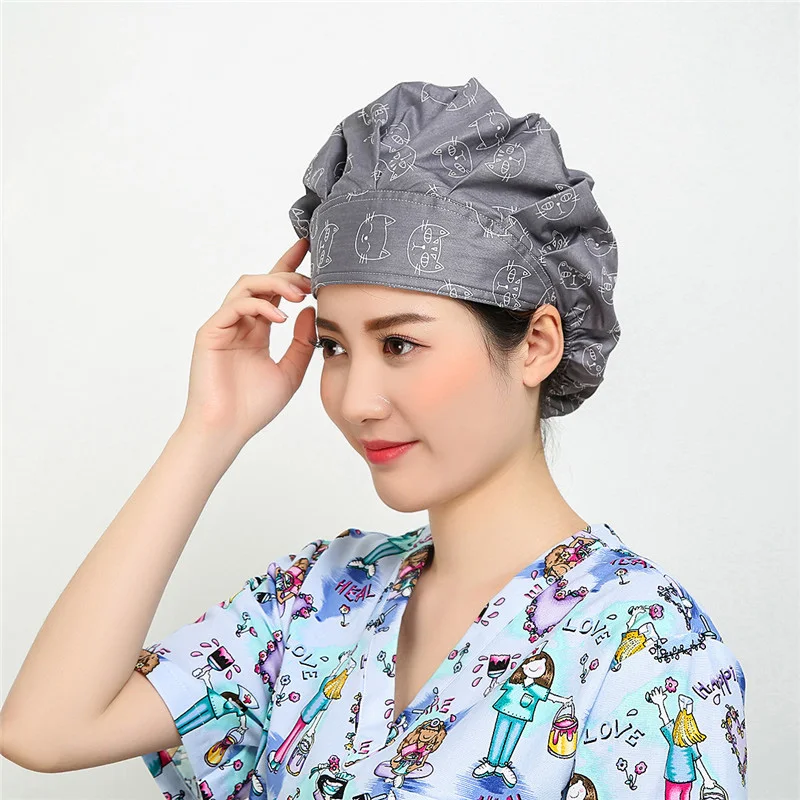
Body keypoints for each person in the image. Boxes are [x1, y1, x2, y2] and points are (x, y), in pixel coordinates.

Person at [0, 78, 747, 800]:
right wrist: (209, 430)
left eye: (399, 345)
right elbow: (45, 731)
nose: (355, 401)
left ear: (537, 345)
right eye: (333, 347)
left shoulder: (647, 650)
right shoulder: (322, 597)